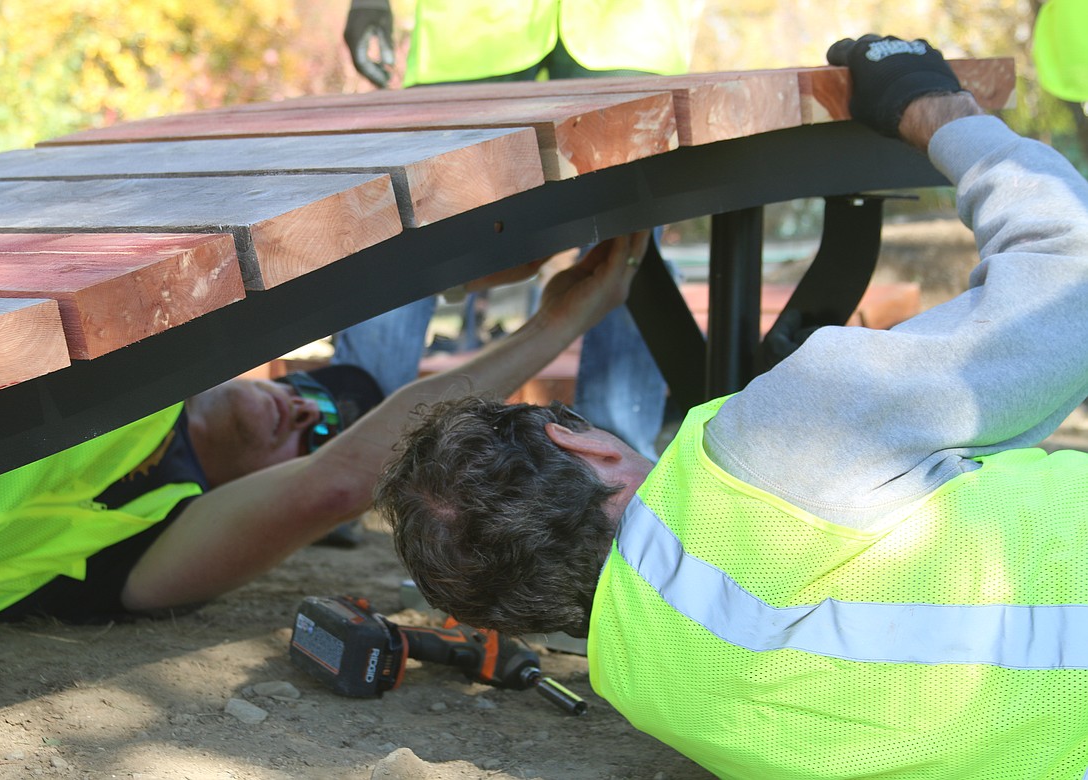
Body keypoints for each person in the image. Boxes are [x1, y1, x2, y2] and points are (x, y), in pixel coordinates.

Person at [377, 35, 1088, 779]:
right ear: (588, 449)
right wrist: (931, 105)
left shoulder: (653, 696)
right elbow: (1068, 273)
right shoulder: (781, 441)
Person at [0, 232, 649, 630]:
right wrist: (453, 260)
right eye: (308, 391)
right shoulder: (137, 351)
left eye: (320, 429)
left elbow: (330, 487)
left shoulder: (144, 545)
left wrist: (559, 321)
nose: (302, 410)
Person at [338, 0, 699, 460]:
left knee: (628, 250)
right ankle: (350, 453)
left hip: (629, 33)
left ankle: (616, 471)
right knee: (408, 242)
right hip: (470, 35)